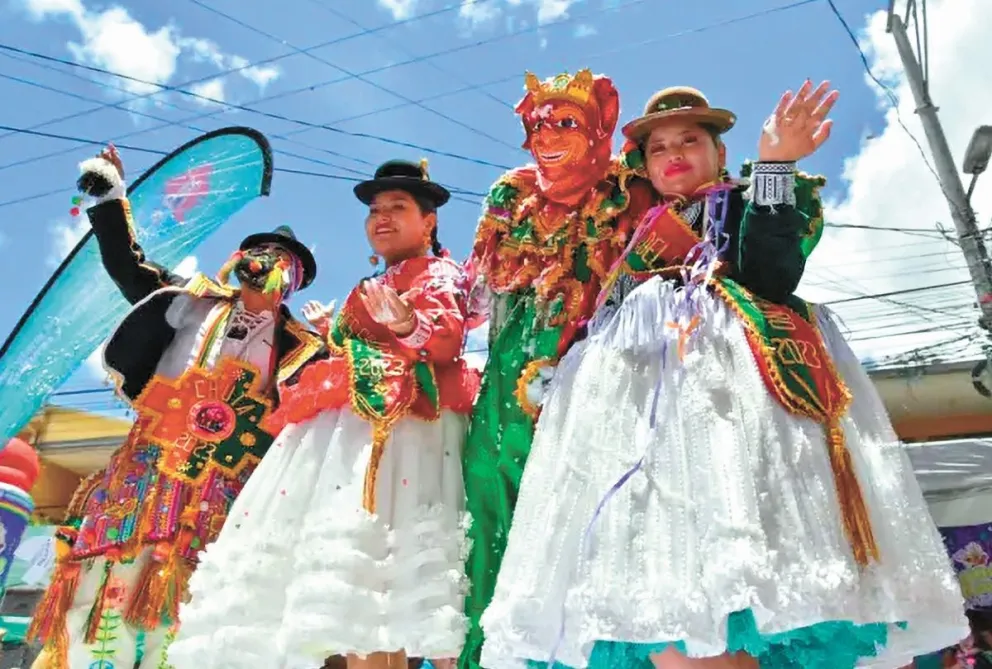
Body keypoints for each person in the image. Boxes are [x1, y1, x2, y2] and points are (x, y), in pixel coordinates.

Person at [477, 83, 969, 669]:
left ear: (720, 153)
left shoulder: (744, 202)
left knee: (735, 575)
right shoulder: (634, 236)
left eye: (691, 139)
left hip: (729, 409)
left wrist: (776, 164)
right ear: (643, 166)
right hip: (640, 427)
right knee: (651, 583)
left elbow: (770, 272)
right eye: (658, 147)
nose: (674, 152)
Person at [167, 159, 479, 669]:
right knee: (351, 598)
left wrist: (407, 325)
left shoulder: (440, 273)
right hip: (352, 435)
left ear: (429, 222)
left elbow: (443, 342)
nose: (382, 217)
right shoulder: (375, 282)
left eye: (398, 207)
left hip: (402, 432)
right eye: (375, 210)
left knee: (379, 586)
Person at [27, 145, 321, 668]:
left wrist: (335, 336)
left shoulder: (302, 349)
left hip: (223, 486)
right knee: (104, 581)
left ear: (294, 281)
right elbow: (126, 264)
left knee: (189, 602)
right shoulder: (192, 299)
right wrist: (113, 196)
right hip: (147, 466)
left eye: (283, 262)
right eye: (260, 253)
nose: (267, 264)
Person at [459, 69, 653, 669]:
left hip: (592, 369)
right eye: (537, 124)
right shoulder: (508, 196)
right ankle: (491, 648)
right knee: (489, 488)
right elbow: (473, 299)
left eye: (566, 123)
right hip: (504, 380)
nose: (546, 136)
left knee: (581, 502)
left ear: (597, 131)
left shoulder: (627, 192)